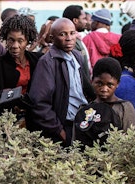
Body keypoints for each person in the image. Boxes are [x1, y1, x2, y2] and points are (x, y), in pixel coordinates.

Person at [26, 17, 95, 146]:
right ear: (52, 38)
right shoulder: (48, 62)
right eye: (62, 34)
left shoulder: (76, 56)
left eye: (72, 33)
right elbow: (39, 102)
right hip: (64, 125)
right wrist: (59, 131)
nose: (69, 38)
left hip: (81, 122)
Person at [0, 14, 39, 121]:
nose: (15, 45)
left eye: (20, 40)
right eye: (11, 40)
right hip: (7, 123)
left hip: (34, 120)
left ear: (28, 40)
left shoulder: (37, 61)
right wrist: (5, 94)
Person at [62, 4, 91, 69]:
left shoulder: (77, 38)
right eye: (84, 18)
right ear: (75, 20)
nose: (86, 22)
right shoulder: (70, 42)